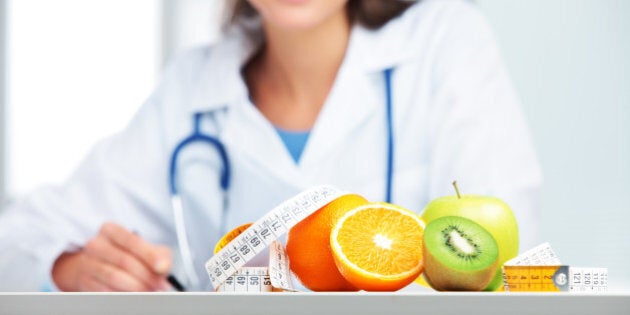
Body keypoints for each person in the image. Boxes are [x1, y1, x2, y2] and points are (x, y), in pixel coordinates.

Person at [0, 0, 542, 292]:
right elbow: (22, 236)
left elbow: (504, 270)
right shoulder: (193, 86)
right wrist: (70, 268)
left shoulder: (446, 44)